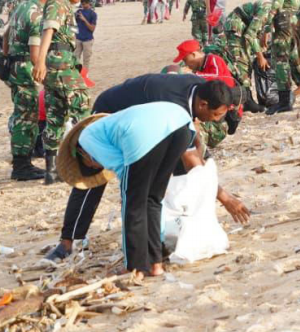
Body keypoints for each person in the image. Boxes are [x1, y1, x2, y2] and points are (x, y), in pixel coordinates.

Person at [45, 76, 249, 263]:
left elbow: (197, 157)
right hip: (113, 112)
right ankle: (68, 241)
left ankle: (156, 243)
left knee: (157, 185)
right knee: (96, 179)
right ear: (202, 104)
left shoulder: (205, 91)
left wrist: (220, 195)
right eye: (215, 115)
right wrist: (225, 198)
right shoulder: (176, 104)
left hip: (148, 124)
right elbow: (191, 159)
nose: (215, 120)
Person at [34, 0, 92, 184]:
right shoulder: (58, 1)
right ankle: (88, 161)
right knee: (82, 104)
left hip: (58, 61)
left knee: (56, 114)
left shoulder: (63, 3)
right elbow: (48, 30)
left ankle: (51, 171)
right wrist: (40, 62)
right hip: (60, 61)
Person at [2, 0, 58, 182]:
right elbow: (36, 54)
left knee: (21, 114)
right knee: (27, 118)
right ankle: (21, 166)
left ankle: (22, 163)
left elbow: (6, 34)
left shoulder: (22, 7)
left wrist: (8, 56)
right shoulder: (38, 15)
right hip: (26, 69)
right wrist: (43, 74)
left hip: (15, 68)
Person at [206, 1, 270, 106]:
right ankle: (246, 100)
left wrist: (265, 35)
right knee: (242, 61)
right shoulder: (266, 10)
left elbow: (266, 25)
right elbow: (250, 35)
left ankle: (246, 97)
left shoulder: (274, 11)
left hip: (243, 25)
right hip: (235, 26)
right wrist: (260, 57)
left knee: (246, 58)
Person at [74, 0, 97, 72]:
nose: (83, 6)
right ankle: (76, 76)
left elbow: (92, 28)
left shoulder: (93, 14)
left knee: (86, 61)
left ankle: (84, 78)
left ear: (89, 3)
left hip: (88, 40)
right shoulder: (78, 12)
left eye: (84, 4)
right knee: (75, 59)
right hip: (78, 39)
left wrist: (84, 20)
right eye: (82, 4)